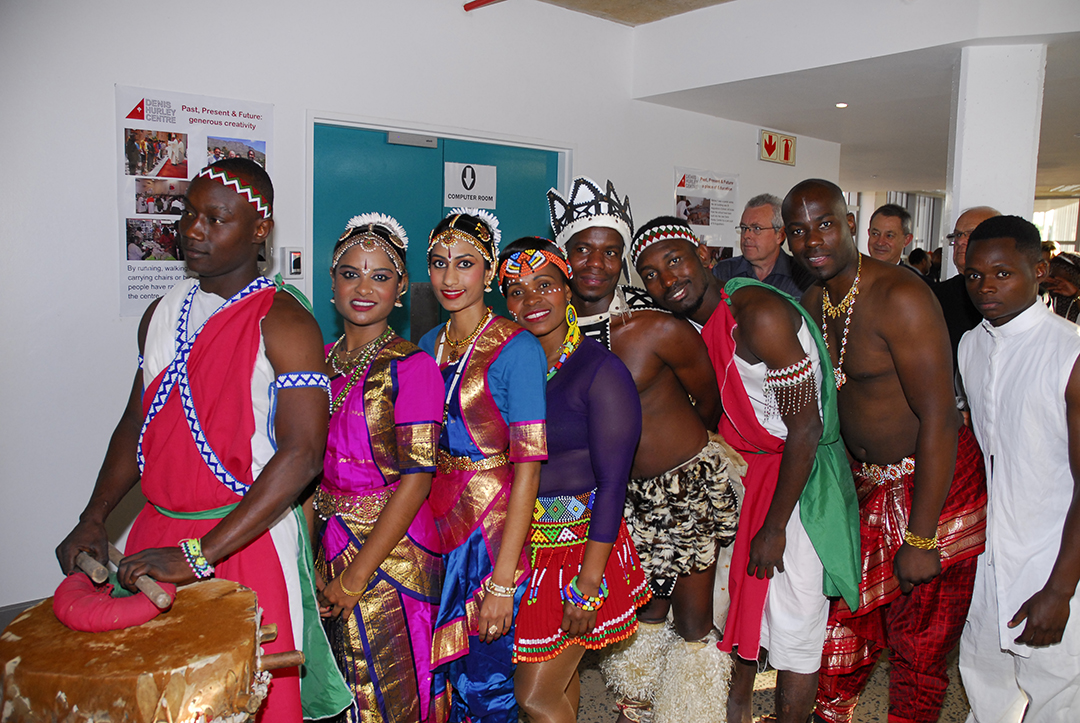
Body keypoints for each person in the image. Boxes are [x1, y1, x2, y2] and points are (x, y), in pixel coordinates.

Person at [56, 158, 350, 722]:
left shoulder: (285, 322)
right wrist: (95, 516)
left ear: (259, 230)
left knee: (246, 702)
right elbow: (136, 424)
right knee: (158, 699)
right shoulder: (160, 315)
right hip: (157, 532)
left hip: (242, 540)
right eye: (189, 213)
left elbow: (303, 454)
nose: (193, 230)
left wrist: (199, 555)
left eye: (215, 219)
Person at [631, 216, 861, 723]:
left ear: (706, 257)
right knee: (743, 617)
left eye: (675, 261)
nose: (667, 280)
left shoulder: (760, 316)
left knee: (796, 625)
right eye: (650, 274)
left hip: (798, 486)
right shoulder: (692, 328)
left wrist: (774, 527)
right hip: (748, 477)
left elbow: (805, 427)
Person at [782, 179, 988, 723]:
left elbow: (940, 418)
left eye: (824, 223)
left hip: (934, 486)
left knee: (920, 649)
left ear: (850, 224)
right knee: (842, 630)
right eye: (798, 230)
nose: (812, 239)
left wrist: (921, 537)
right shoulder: (812, 301)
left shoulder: (901, 296)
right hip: (869, 485)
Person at [547, 177, 741, 723]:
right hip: (617, 497)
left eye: (611, 252)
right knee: (640, 606)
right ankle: (638, 698)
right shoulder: (546, 334)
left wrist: (679, 458)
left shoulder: (656, 328)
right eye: (582, 249)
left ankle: (691, 713)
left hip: (687, 486)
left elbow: (708, 401)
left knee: (693, 617)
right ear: (563, 256)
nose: (596, 263)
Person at [496, 238, 650, 723]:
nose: (532, 300)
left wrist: (588, 583)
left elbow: (613, 482)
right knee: (558, 682)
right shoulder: (504, 366)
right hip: (517, 549)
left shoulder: (601, 371)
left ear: (567, 292)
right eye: (516, 291)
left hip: (579, 550)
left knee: (534, 697)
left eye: (544, 285)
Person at [308, 214, 449, 723]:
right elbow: (304, 469)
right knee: (332, 688)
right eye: (351, 273)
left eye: (380, 276)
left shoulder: (412, 367)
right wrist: (306, 561)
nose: (363, 287)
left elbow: (416, 482)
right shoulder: (315, 362)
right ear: (332, 283)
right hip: (325, 541)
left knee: (389, 695)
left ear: (399, 293)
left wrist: (354, 578)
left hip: (392, 554)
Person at [419, 209, 548, 723]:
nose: (450, 278)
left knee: (487, 681)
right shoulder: (428, 345)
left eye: (466, 264)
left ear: (491, 273)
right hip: (434, 522)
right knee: (440, 676)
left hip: (492, 531)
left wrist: (501, 582)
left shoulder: (518, 348)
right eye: (439, 263)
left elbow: (529, 469)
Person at [958, 215, 1080, 722]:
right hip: (991, 561)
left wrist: (1059, 589)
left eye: (1003, 273)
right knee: (986, 690)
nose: (986, 287)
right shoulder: (971, 345)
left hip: (1056, 560)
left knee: (1058, 702)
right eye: (974, 276)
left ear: (1040, 270)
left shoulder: (1069, 352)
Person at [932, 206, 1001, 373]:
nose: (961, 242)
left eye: (970, 234)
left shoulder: (1010, 297)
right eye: (957, 235)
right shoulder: (936, 295)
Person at [712, 194, 813, 298]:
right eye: (743, 228)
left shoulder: (802, 275)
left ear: (780, 235)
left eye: (757, 228)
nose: (746, 235)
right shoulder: (723, 271)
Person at [1046, 251, 1080, 323]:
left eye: (1068, 280)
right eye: (1053, 277)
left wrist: (1076, 294)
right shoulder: (1044, 297)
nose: (1060, 285)